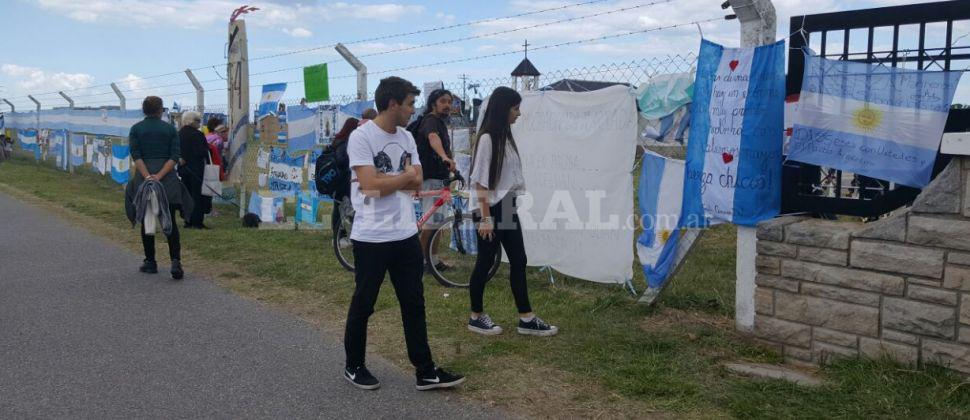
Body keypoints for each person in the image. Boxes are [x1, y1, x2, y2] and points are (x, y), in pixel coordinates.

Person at [343, 76, 464, 391]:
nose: (413, 110)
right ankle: (354, 365)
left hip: (406, 234)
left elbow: (417, 181)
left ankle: (425, 371)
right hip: (371, 237)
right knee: (364, 303)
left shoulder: (408, 137)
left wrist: (388, 180)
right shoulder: (361, 136)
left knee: (414, 303)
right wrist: (401, 177)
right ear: (393, 103)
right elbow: (369, 186)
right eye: (410, 104)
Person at [466, 86, 557, 337]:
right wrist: (485, 218)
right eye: (516, 108)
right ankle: (476, 316)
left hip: (507, 206)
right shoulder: (487, 139)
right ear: (503, 109)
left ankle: (526, 318)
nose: (519, 113)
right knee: (485, 262)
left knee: (519, 260)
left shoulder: (506, 138)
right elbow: (480, 182)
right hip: (489, 208)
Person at [124, 96, 193, 280]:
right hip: (167, 181)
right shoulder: (170, 129)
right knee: (169, 221)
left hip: (144, 180)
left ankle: (150, 261)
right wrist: (160, 175)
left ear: (144, 110)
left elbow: (136, 155)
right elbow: (174, 156)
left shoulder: (136, 129)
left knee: (148, 221)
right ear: (160, 110)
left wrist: (147, 176)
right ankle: (175, 261)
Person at [414, 89, 456, 271]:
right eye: (443, 101)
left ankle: (433, 259)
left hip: (439, 178)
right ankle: (421, 262)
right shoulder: (430, 120)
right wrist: (444, 157)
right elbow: (433, 137)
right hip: (431, 178)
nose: (447, 105)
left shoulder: (440, 122)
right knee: (431, 224)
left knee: (437, 223)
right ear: (433, 104)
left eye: (449, 102)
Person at [177, 111, 211, 229]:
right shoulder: (197, 135)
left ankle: (187, 220)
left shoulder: (179, 134)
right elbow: (201, 152)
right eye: (198, 121)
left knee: (186, 195)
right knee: (197, 196)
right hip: (196, 170)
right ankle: (197, 222)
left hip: (183, 169)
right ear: (192, 121)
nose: (199, 123)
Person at [330, 117, 359, 240]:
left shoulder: (338, 141)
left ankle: (340, 235)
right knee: (340, 208)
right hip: (342, 181)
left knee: (339, 207)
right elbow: (342, 161)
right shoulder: (343, 144)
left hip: (338, 180)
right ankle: (339, 236)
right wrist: (352, 158)